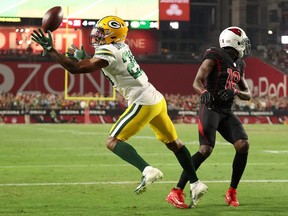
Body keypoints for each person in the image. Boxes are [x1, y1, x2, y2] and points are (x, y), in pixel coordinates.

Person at [31, 15, 208, 204]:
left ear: (113, 36)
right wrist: (88, 59)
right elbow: (106, 64)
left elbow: (75, 68)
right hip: (155, 97)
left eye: (102, 32)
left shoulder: (108, 50)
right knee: (175, 144)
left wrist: (51, 49)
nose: (97, 35)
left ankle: (148, 170)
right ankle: (196, 184)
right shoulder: (121, 46)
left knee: (113, 141)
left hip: (143, 101)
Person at [166, 26, 251, 208]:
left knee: (243, 145)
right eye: (243, 42)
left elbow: (248, 93)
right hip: (210, 107)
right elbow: (197, 81)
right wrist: (203, 91)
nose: (245, 46)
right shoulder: (215, 55)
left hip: (226, 111)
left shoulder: (240, 64)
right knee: (205, 149)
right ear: (234, 42)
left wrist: (234, 91)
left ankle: (232, 192)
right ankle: (176, 191)